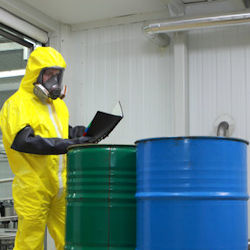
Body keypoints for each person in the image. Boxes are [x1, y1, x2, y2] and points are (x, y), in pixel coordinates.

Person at [0, 47, 95, 250]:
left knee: (70, 240)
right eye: (49, 74)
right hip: (33, 187)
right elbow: (25, 142)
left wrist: (87, 133)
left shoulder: (57, 105)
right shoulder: (17, 104)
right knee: (30, 243)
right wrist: (71, 145)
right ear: (36, 73)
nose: (54, 80)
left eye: (57, 74)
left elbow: (62, 132)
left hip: (60, 186)